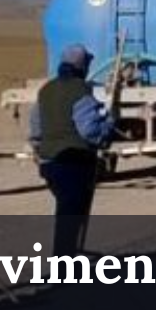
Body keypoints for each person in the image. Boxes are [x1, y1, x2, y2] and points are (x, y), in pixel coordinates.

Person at [28, 43, 120, 255]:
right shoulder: (81, 91)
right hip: (74, 164)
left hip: (49, 163)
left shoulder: (46, 90)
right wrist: (109, 125)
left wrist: (39, 150)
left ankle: (69, 255)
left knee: (67, 211)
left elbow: (36, 127)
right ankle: (65, 261)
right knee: (71, 215)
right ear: (83, 66)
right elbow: (89, 130)